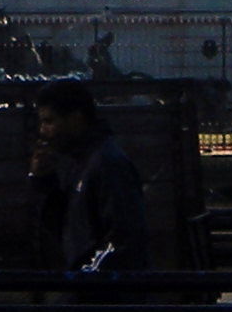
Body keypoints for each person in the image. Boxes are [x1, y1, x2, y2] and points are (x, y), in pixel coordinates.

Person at [29, 81, 152, 278]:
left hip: (102, 294)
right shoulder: (86, 160)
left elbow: (123, 238)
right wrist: (44, 181)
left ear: (76, 119)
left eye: (49, 121)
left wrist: (88, 280)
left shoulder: (104, 164)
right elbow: (70, 226)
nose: (43, 131)